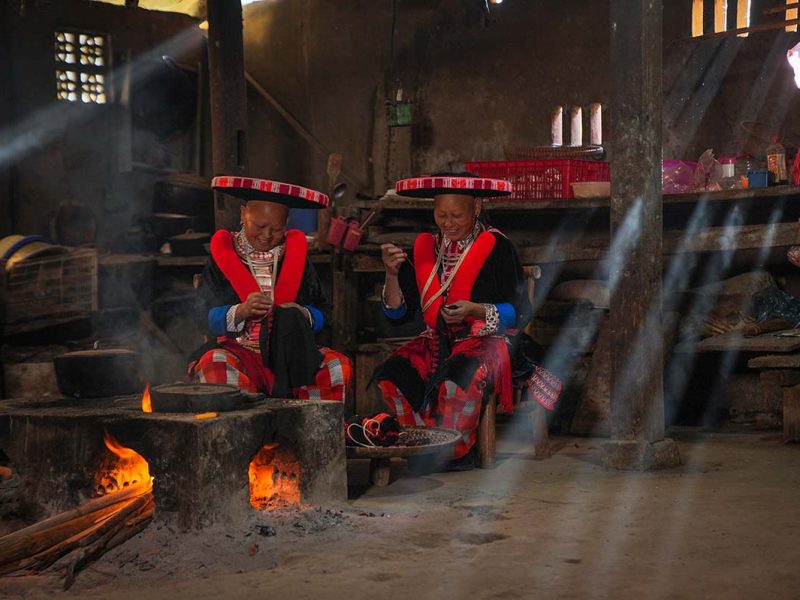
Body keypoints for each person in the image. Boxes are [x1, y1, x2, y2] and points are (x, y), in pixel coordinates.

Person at [372, 173, 530, 470]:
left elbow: (521, 312)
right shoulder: (428, 249)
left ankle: (454, 451)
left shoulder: (498, 248)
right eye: (441, 215)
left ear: (477, 208)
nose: (448, 223)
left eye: (457, 215)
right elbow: (397, 314)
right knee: (392, 376)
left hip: (485, 340)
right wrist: (391, 274)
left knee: (457, 380)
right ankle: (422, 444)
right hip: (436, 339)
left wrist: (475, 309)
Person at [188, 176, 351, 402]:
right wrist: (241, 311)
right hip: (239, 352)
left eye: (276, 229)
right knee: (215, 365)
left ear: (287, 222)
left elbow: (326, 312)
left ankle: (308, 434)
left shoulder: (297, 259)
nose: (267, 236)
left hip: (292, 355)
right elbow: (200, 317)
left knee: (336, 366)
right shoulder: (223, 258)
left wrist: (302, 313)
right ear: (243, 214)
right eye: (260, 226)